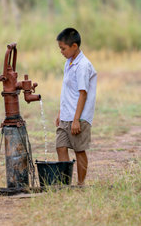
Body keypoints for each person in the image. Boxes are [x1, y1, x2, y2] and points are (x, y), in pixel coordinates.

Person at [55, 27, 97, 186]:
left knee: (79, 150)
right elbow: (67, 91)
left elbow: (83, 94)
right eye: (60, 48)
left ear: (74, 46)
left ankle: (80, 184)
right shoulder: (69, 62)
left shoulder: (83, 65)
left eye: (63, 48)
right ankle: (65, 183)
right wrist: (60, 112)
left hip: (78, 117)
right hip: (66, 115)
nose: (61, 51)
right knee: (60, 147)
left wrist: (76, 120)